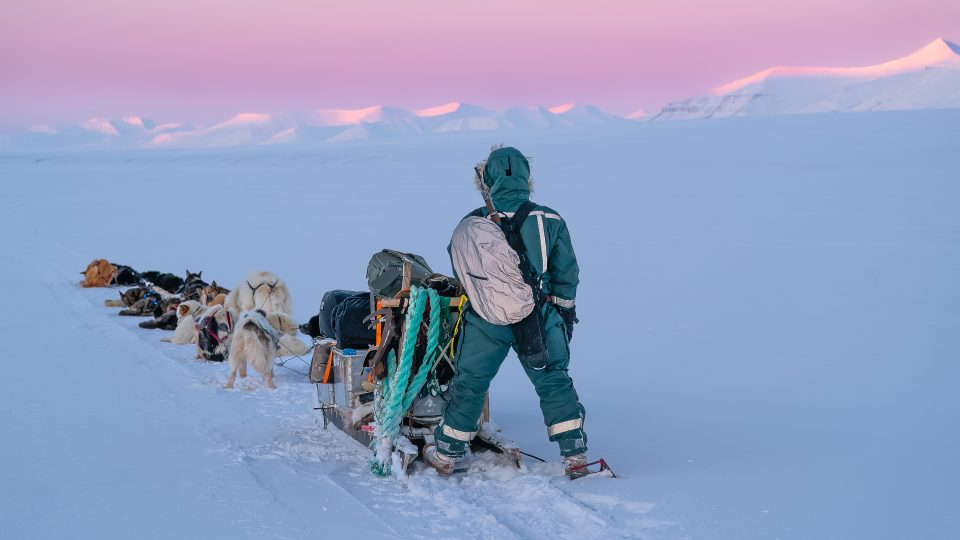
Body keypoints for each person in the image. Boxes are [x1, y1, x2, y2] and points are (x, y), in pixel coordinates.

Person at [423, 146, 588, 476]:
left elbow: (463, 270)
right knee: (553, 380)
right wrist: (562, 314)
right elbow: (565, 275)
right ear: (527, 177)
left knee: (470, 382)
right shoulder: (549, 219)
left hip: (486, 319)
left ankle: (446, 453)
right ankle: (575, 456)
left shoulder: (472, 223)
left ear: (488, 178)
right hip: (537, 316)